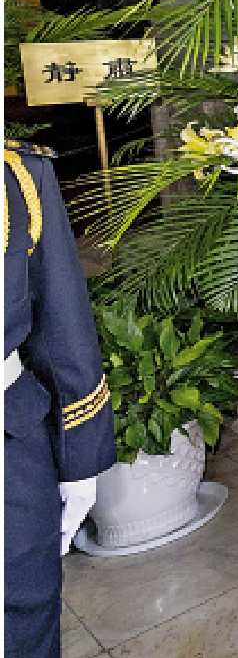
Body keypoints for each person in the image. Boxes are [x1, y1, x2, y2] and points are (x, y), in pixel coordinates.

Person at [6, 140, 116, 658]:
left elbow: (62, 322)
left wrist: (80, 462)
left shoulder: (17, 174)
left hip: (10, 447)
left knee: (22, 620)